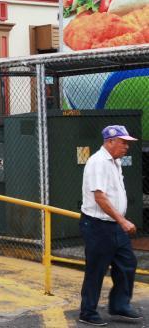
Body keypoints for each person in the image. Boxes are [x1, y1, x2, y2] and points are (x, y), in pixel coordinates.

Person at [78, 125, 141, 326]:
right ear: (110, 141)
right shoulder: (98, 162)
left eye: (127, 143)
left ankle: (119, 305)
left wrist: (119, 220)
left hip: (114, 225)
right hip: (98, 225)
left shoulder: (115, 162)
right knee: (96, 269)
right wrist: (122, 220)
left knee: (127, 263)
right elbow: (100, 198)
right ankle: (87, 312)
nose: (126, 147)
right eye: (123, 142)